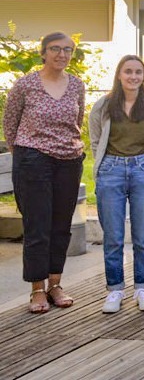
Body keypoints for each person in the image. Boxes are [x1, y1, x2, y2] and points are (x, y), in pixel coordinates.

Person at [4, 32, 86, 314]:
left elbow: (77, 122)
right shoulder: (25, 85)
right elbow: (10, 125)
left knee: (61, 226)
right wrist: (26, 155)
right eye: (55, 49)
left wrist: (67, 149)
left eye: (67, 50)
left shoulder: (77, 85)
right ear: (43, 52)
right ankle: (37, 289)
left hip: (69, 160)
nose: (61, 54)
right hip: (33, 160)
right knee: (37, 226)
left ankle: (55, 284)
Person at [90, 55, 144, 313]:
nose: (133, 76)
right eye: (128, 71)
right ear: (119, 74)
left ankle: (143, 287)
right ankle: (115, 289)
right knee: (113, 236)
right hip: (110, 169)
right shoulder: (104, 104)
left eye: (138, 72)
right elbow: (95, 139)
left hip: (143, 169)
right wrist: (104, 167)